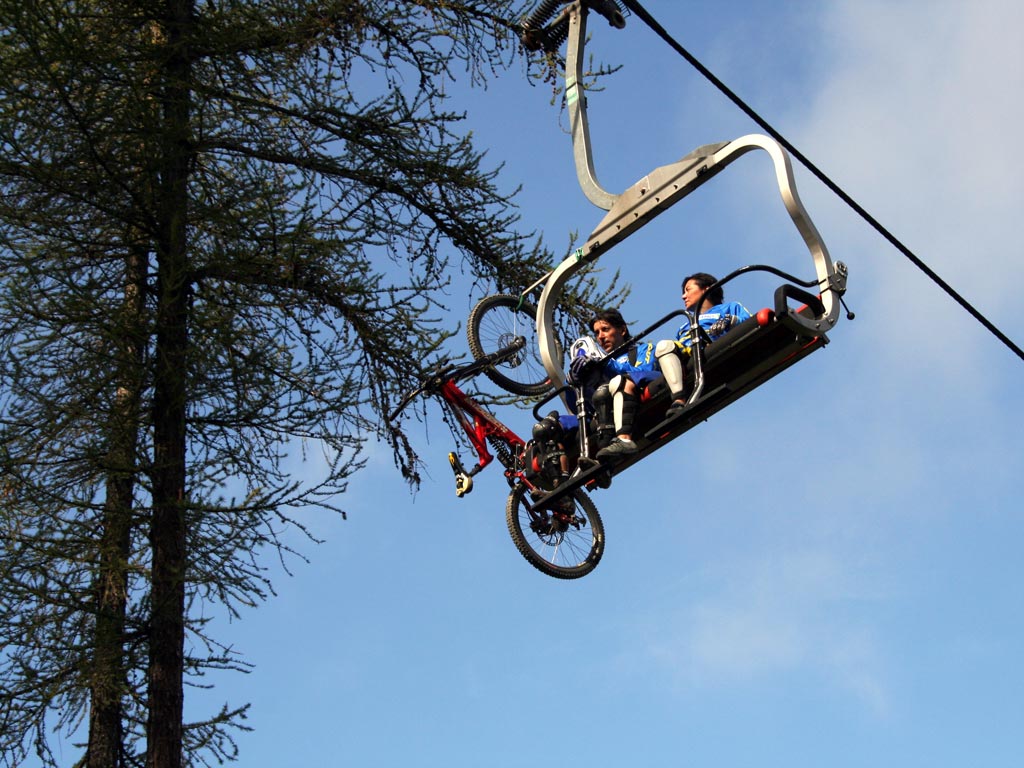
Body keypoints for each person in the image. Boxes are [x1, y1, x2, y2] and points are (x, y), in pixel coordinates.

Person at [654, 272, 752, 418]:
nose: (683, 296)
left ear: (706, 289)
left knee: (664, 346)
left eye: (688, 290)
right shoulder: (684, 326)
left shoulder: (729, 308)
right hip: (687, 354)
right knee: (663, 348)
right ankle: (678, 397)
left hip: (710, 347)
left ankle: (679, 399)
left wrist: (730, 320)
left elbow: (750, 322)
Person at [579, 309, 660, 460]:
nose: (600, 337)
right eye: (596, 333)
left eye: (605, 329)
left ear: (622, 330)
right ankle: (601, 461)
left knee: (609, 388)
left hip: (642, 393)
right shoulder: (598, 366)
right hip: (607, 411)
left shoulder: (642, 349)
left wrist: (609, 364)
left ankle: (622, 442)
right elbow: (587, 405)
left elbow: (645, 371)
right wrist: (575, 380)